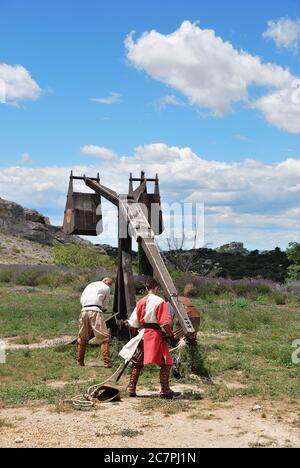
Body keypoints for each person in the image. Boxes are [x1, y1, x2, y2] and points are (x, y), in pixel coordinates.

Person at [121, 278, 181, 400]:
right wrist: (171, 336)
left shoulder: (140, 302)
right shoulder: (159, 301)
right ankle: (165, 391)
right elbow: (164, 323)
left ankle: (131, 388)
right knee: (166, 362)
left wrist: (134, 338)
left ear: (147, 288)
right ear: (156, 288)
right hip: (153, 336)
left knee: (137, 362)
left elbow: (133, 323)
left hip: (142, 334)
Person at [77, 277, 113, 368]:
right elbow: (105, 303)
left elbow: (82, 298)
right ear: (107, 283)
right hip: (95, 310)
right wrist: (103, 309)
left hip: (84, 310)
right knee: (104, 337)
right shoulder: (107, 287)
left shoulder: (90, 285)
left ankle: (80, 361)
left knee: (83, 337)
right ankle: (106, 362)